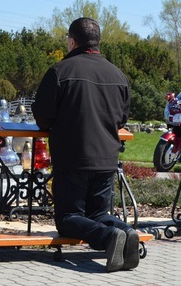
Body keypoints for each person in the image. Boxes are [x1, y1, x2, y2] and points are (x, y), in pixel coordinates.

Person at [33, 17, 139, 272]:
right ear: (97, 42)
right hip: (107, 158)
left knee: (68, 218)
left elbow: (43, 118)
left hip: (73, 158)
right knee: (98, 214)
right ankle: (126, 232)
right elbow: (122, 118)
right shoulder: (118, 75)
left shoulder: (60, 71)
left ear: (72, 41)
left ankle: (111, 237)